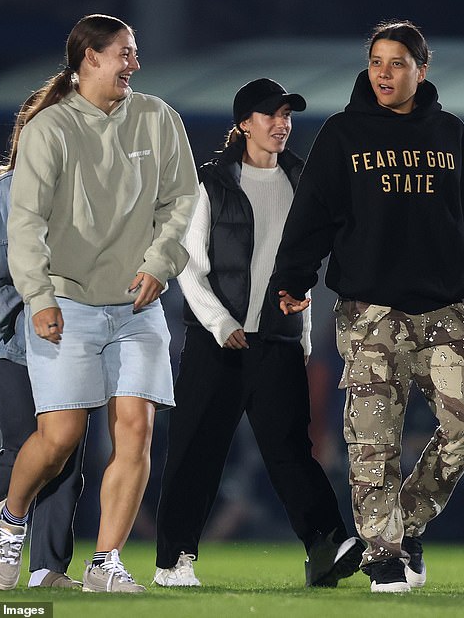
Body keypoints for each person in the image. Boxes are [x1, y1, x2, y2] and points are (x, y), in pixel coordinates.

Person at [271, 20, 464, 593]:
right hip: (369, 314)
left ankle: (401, 525)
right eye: (377, 61)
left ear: (421, 70)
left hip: (442, 314)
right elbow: (312, 218)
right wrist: (294, 278)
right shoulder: (342, 135)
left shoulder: (452, 137)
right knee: (372, 440)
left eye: (397, 62)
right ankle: (384, 555)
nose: (384, 72)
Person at [0, 13, 199, 593]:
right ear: (89, 60)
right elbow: (24, 224)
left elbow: (182, 202)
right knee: (60, 439)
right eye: (124, 53)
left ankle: (106, 563)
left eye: (135, 52)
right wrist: (39, 297)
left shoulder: (158, 118)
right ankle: (12, 515)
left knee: (136, 428)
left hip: (136, 306)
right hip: (67, 304)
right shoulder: (51, 129)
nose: (134, 63)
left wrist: (160, 264)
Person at [154, 78, 364, 588]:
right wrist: (220, 323)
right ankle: (173, 561)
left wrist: (304, 337)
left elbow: (302, 271)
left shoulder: (304, 183)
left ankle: (326, 546)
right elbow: (189, 266)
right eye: (270, 114)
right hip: (217, 341)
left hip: (279, 342)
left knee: (291, 450)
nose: (281, 123)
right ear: (244, 123)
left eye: (287, 115)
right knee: (197, 450)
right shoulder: (211, 183)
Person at [0, 93, 86, 589]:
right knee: (26, 444)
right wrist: (33, 308)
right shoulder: (3, 194)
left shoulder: (84, 193)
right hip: (16, 343)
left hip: (74, 341)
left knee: (68, 454)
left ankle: (47, 570)